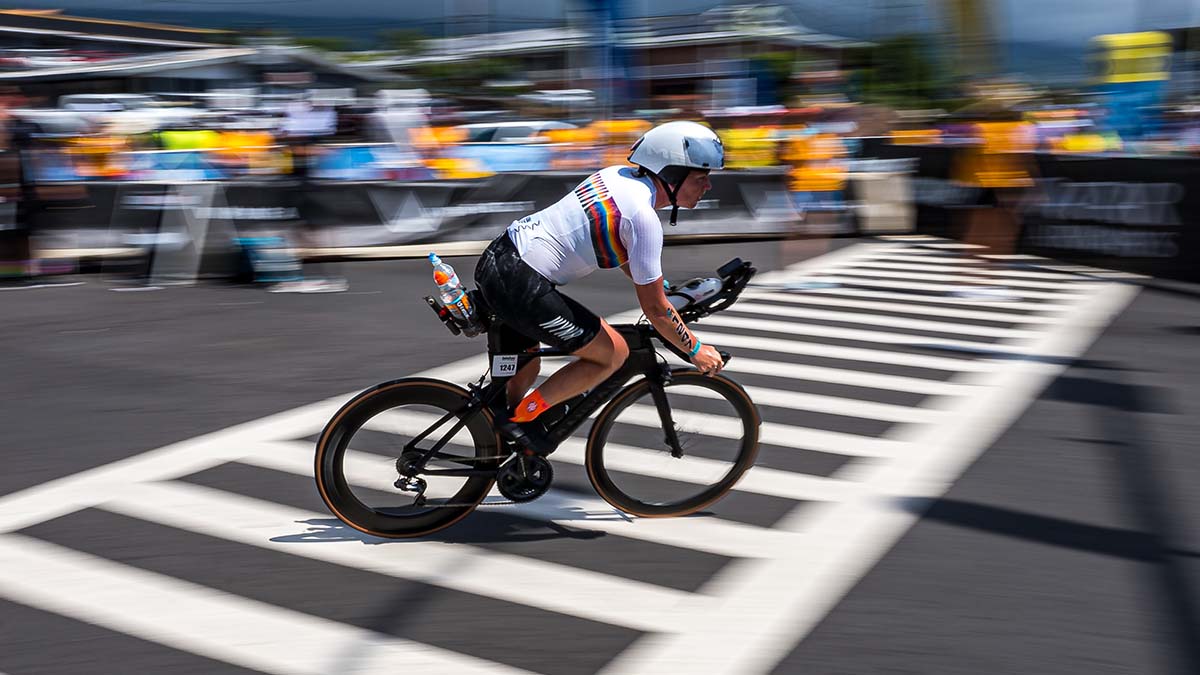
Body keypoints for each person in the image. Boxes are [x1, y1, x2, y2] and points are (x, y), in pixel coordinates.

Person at [473, 120, 726, 455]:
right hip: (522, 283)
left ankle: (502, 439)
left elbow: (617, 246)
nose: (707, 186)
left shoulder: (616, 177)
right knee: (614, 353)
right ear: (671, 174)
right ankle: (520, 422)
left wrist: (660, 286)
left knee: (527, 364)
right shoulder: (643, 218)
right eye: (700, 177)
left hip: (499, 258)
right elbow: (655, 311)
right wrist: (695, 349)